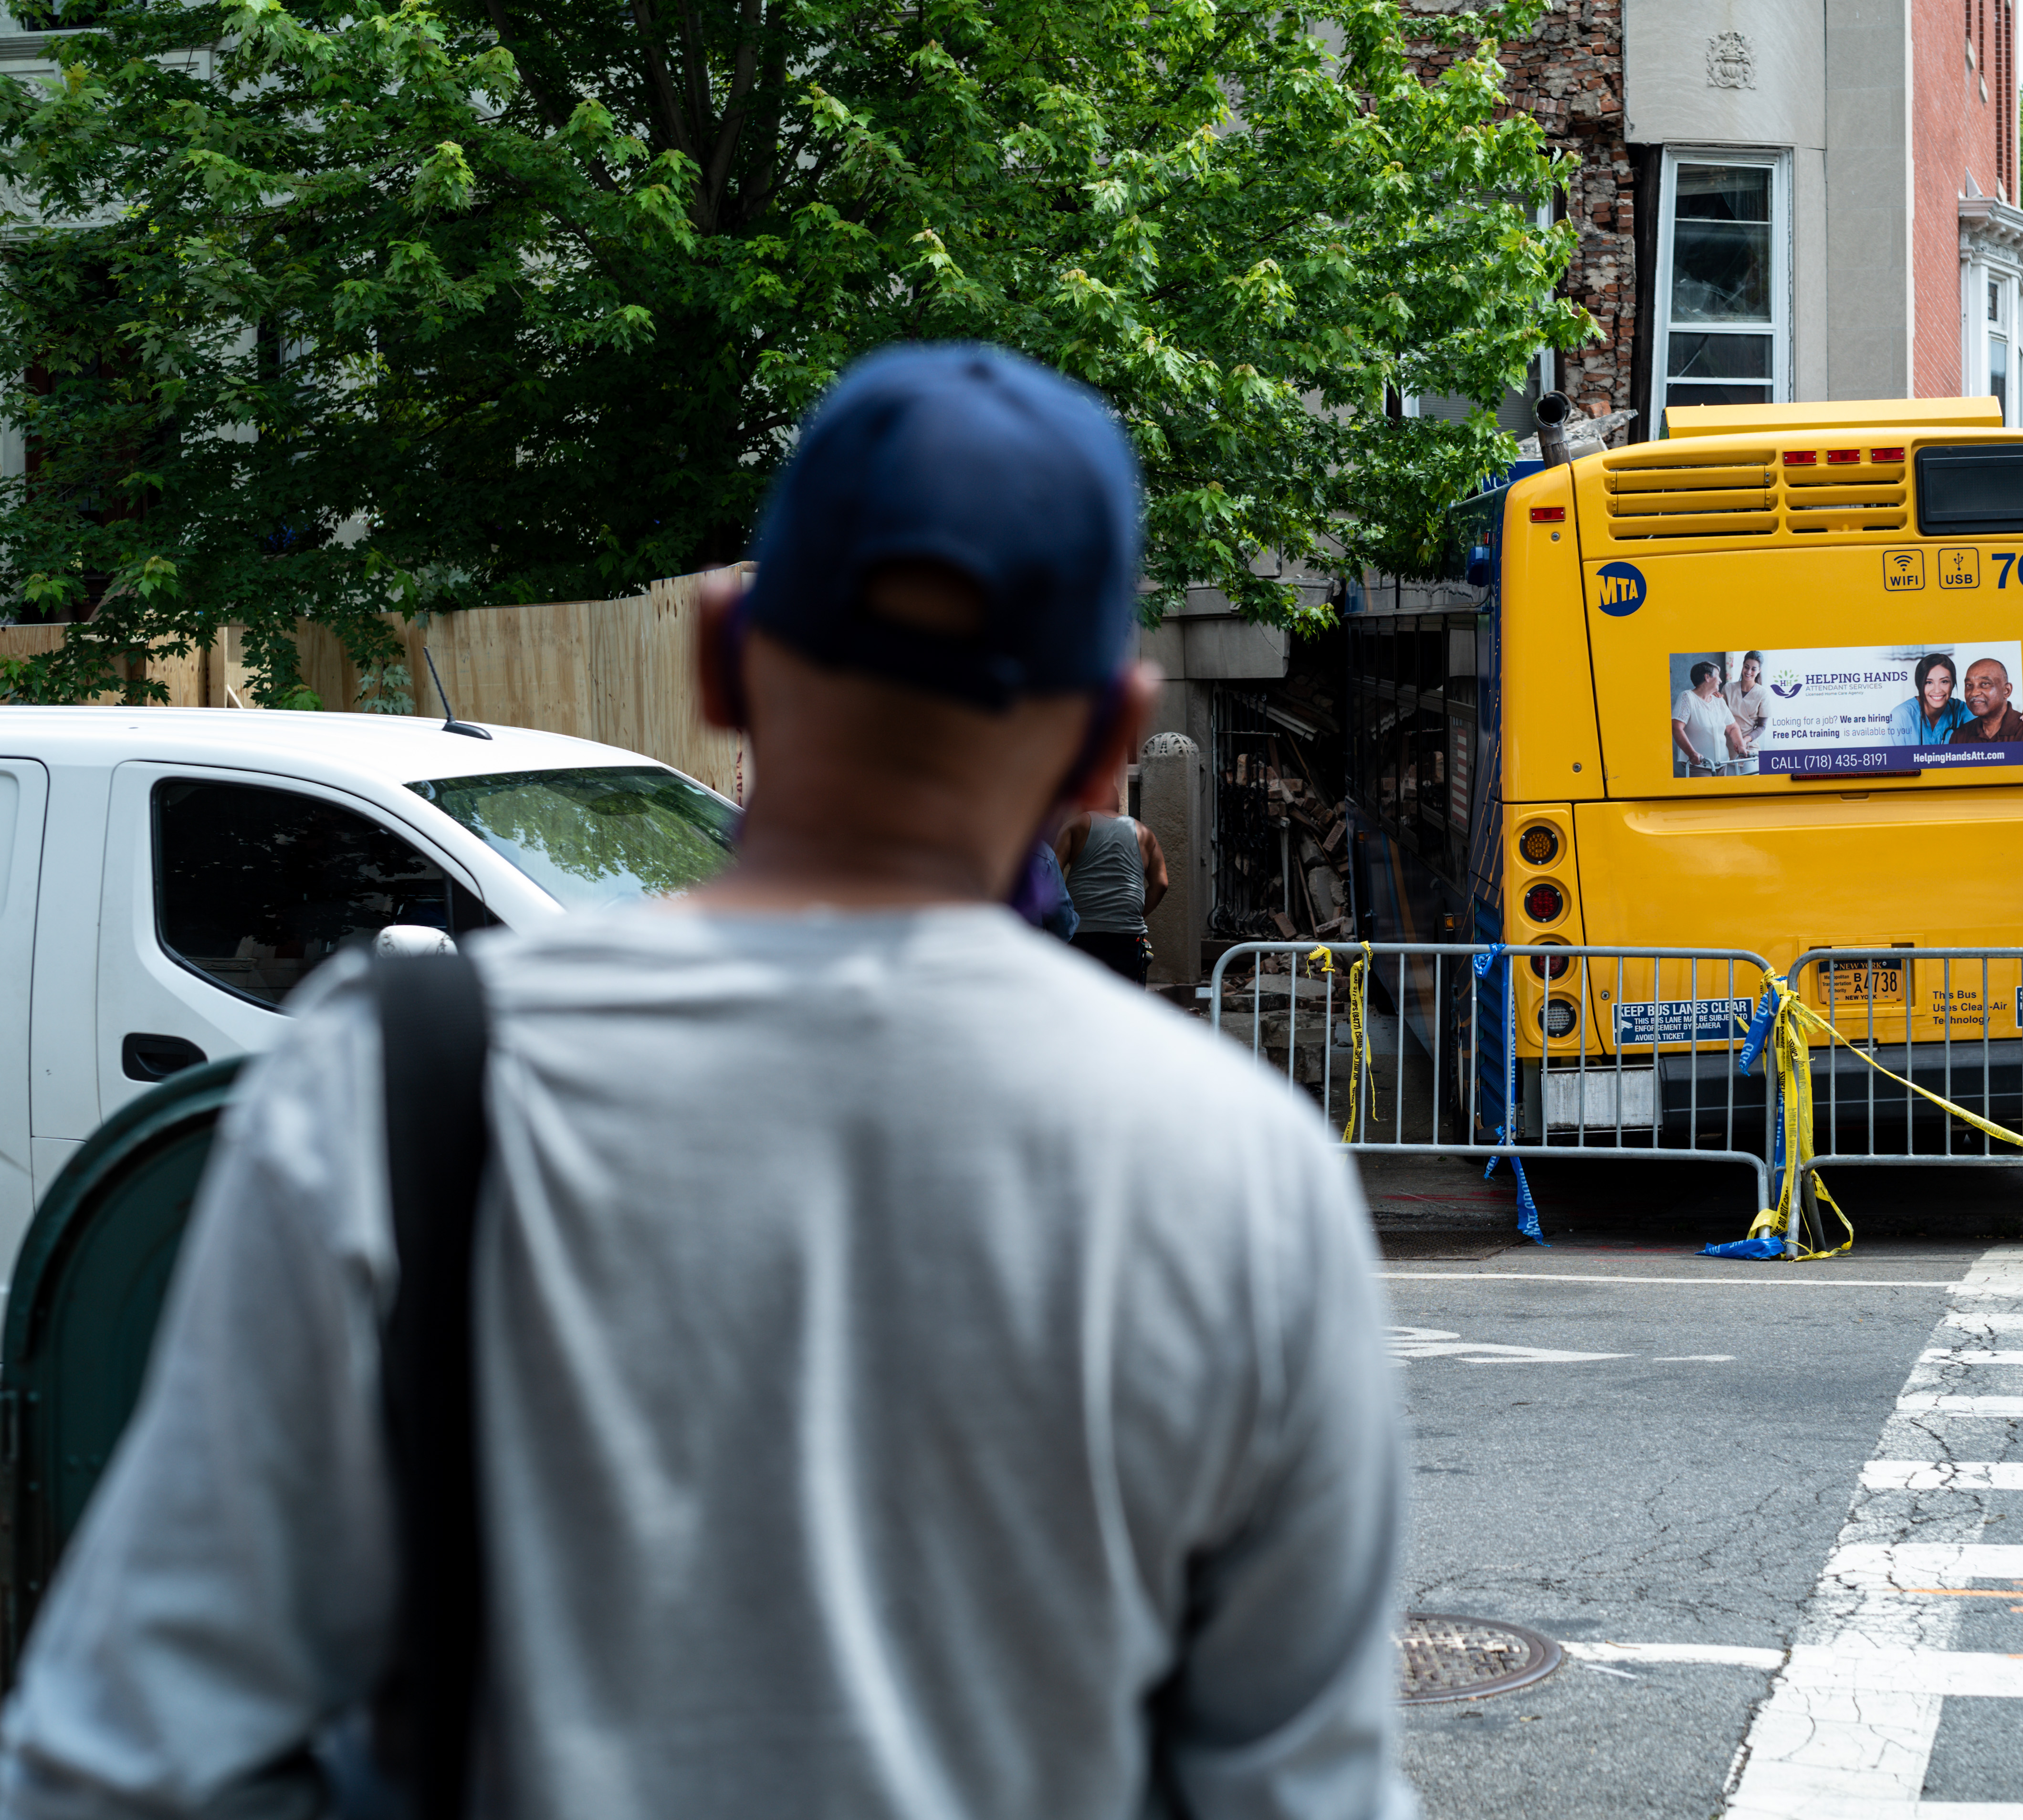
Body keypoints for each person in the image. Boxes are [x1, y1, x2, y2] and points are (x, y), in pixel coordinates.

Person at [0, 346, 1415, 1820]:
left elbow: (126, 1765)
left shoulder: (392, 1088)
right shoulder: (1245, 1174)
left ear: (728, 654)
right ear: (1109, 737)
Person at [1057, 804, 1166, 982]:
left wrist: (1062, 918)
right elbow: (1161, 884)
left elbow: (1051, 872)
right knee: (1122, 999)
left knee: (1082, 997)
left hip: (1081, 930)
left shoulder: (1075, 825)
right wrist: (1132, 915)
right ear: (1118, 806)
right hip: (1127, 935)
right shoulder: (1145, 833)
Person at [1673, 658, 1744, 776]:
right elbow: (1676, 728)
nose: (1721, 681)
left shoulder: (1718, 700)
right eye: (1718, 676)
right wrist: (1692, 754)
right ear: (1707, 677)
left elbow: (1732, 728)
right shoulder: (1687, 697)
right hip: (1698, 765)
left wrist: (1741, 746)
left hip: (1722, 764)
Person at [1887, 652, 1970, 747]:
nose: (1937, 690)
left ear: (1953, 684)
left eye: (1944, 682)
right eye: (1929, 682)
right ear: (1919, 685)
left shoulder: (1964, 711)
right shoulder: (1901, 716)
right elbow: (1894, 760)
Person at [1950, 655, 2023, 747]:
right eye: (1969, 685)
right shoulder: (1960, 736)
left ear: (2007, 691)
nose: (1974, 693)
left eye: (1985, 684)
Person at [1726, 651, 1771, 759]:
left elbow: (1761, 726)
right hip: (1728, 747)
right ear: (1743, 666)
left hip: (1750, 746)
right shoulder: (1728, 689)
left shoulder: (1763, 694)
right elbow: (1721, 717)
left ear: (1759, 671)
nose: (1749, 672)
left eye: (1754, 669)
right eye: (1747, 667)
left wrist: (1745, 741)